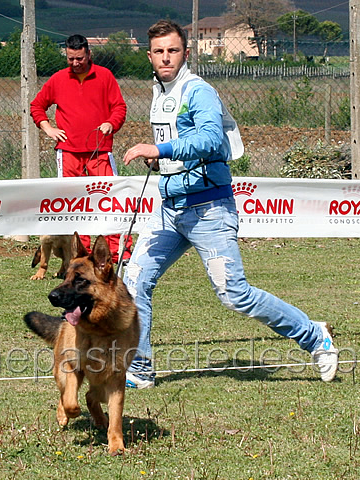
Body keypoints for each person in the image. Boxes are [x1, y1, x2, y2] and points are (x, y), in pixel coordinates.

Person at [121, 20, 339, 389]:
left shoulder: (197, 91)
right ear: (149, 56)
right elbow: (182, 143)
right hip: (169, 208)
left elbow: (211, 141)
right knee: (133, 282)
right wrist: (164, 160)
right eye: (159, 52)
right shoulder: (161, 91)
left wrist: (161, 149)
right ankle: (139, 370)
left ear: (186, 53)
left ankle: (315, 336)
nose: (166, 58)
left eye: (173, 51)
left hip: (208, 209)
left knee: (234, 294)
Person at [30, 34, 132, 263]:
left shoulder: (105, 76)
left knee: (111, 201)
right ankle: (79, 255)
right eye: (70, 59)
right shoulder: (57, 80)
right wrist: (48, 128)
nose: (75, 63)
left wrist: (111, 123)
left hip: (100, 151)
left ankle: (118, 253)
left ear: (89, 54)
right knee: (74, 204)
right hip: (68, 153)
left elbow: (119, 107)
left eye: (79, 58)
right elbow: (37, 105)